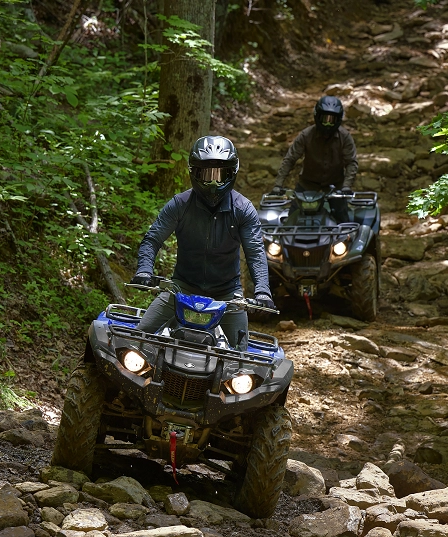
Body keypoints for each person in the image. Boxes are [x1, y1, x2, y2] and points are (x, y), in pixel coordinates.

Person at [131, 135, 275, 350]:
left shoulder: (243, 209)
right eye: (206, 174)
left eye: (220, 174)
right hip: (181, 289)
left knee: (241, 357)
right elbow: (152, 239)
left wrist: (263, 291)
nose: (214, 182)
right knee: (141, 336)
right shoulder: (179, 205)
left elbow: (255, 252)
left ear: (232, 173)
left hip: (227, 295)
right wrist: (144, 271)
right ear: (193, 172)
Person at [271, 96, 359, 223]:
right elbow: (290, 159)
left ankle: (343, 242)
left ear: (338, 120)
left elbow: (351, 163)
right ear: (317, 117)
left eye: (332, 120)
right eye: (325, 119)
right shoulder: (306, 135)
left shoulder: (344, 137)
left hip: (335, 187)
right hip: (307, 185)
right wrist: (278, 184)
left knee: (342, 222)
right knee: (292, 219)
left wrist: (346, 186)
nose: (328, 124)